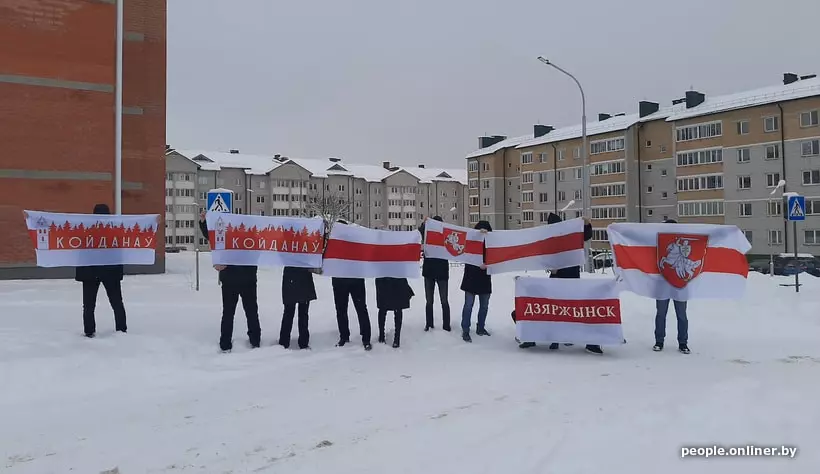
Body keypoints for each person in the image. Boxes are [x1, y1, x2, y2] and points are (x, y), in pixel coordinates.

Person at [511, 214, 595, 352]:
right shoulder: (549, 240)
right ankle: (542, 337)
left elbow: (585, 236)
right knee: (551, 308)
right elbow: (544, 257)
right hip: (556, 280)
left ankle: (562, 337)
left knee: (567, 309)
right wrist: (550, 267)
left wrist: (586, 224)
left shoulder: (569, 235)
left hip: (570, 280)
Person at [199, 211, 260, 352]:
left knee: (230, 312)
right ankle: (254, 340)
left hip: (235, 279)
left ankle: (226, 343)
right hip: (243, 280)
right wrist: (204, 222)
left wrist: (204, 222)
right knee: (248, 312)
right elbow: (211, 236)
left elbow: (211, 236)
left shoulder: (229, 236)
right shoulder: (251, 238)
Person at [76, 203, 127, 338]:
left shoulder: (87, 231)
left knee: (88, 305)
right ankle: (121, 330)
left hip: (90, 273)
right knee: (116, 302)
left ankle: (89, 331)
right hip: (111, 272)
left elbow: (81, 252)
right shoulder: (115, 232)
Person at [331, 219, 373, 351]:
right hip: (340, 281)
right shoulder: (333, 243)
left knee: (360, 309)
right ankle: (344, 336)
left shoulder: (355, 242)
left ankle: (365, 338)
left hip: (355, 280)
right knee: (342, 310)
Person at [654, 218, 690, 354]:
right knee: (661, 314)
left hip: (680, 284)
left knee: (681, 315)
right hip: (662, 283)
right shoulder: (659, 240)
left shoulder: (680, 241)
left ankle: (683, 343)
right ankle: (659, 341)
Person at [460, 220, 492, 343]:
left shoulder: (491, 242)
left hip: (484, 278)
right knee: (468, 305)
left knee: (484, 306)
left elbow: (496, 257)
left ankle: (481, 327)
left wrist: (488, 264)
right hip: (471, 278)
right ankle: (465, 330)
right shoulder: (471, 240)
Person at [418, 216, 451, 331]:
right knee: (430, 301)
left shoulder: (446, 235)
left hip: (440, 272)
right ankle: (429, 324)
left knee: (443, 300)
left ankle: (445, 325)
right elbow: (420, 231)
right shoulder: (428, 234)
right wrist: (424, 223)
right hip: (429, 272)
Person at [279, 266, 318, 350]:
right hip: (293, 276)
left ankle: (302, 342)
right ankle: (284, 342)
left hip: (301, 277)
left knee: (300, 313)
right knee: (290, 312)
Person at [375, 277, 414, 348]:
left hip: (390, 278)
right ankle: (386, 336)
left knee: (391, 308)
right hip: (389, 278)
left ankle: (394, 337)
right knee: (387, 308)